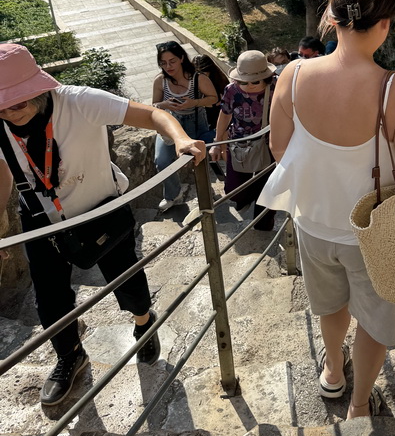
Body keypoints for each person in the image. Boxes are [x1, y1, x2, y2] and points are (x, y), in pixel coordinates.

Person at [259, 0, 395, 418]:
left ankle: (332, 373)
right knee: (374, 318)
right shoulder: (393, 89)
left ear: (332, 14)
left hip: (312, 223)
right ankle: (361, 405)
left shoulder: (290, 75)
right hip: (374, 234)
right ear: (385, 24)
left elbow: (279, 147)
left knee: (330, 306)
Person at [0, 43, 207, 408]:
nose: (10, 112)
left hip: (101, 210)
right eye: (2, 105)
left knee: (126, 277)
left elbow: (152, 116)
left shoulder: (79, 102)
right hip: (42, 220)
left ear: (40, 88)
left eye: (17, 102)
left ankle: (143, 322)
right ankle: (70, 355)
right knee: (50, 299)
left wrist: (180, 139)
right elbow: (4, 174)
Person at [210, 51, 276, 228]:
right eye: (243, 81)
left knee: (268, 188)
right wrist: (217, 143)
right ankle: (247, 198)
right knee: (234, 190)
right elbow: (224, 115)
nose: (250, 86)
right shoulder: (231, 90)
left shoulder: (276, 87)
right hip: (238, 143)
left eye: (255, 81)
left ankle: (263, 226)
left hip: (269, 142)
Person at [152, 42, 218, 213]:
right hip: (171, 123)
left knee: (200, 160)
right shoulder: (160, 81)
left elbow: (213, 98)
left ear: (181, 58)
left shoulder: (198, 78)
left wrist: (194, 102)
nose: (168, 66)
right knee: (162, 161)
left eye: (172, 61)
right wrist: (165, 104)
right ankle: (172, 195)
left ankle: (206, 192)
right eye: (163, 63)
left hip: (196, 121)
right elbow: (154, 105)